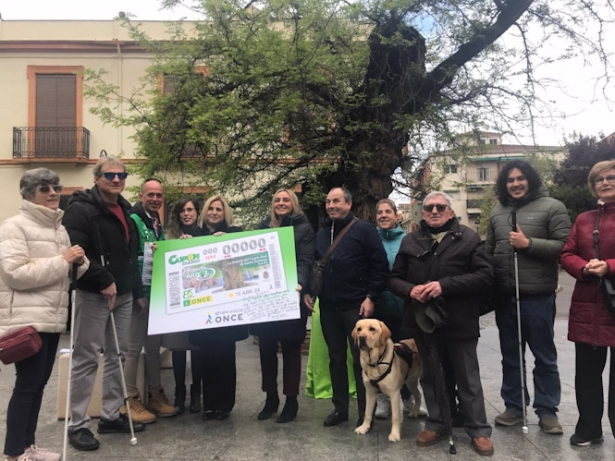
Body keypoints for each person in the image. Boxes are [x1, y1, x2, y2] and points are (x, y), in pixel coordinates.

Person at [388, 191, 494, 456]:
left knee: (467, 377)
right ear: (422, 213)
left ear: (449, 212)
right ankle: (436, 423)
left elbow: (484, 276)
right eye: (429, 208)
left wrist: (443, 286)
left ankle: (478, 429)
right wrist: (411, 290)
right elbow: (394, 279)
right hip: (424, 322)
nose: (434, 211)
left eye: (440, 207)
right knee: (432, 375)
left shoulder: (468, 238)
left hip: (459, 321)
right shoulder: (411, 240)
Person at [0, 168, 89, 461]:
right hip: (27, 321)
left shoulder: (58, 228)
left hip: (51, 318)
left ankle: (29, 446)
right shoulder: (13, 226)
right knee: (27, 387)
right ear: (28, 194)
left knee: (37, 386)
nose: (53, 193)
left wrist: (80, 260)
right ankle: (14, 452)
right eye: (44, 188)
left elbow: (69, 271)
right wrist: (63, 261)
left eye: (56, 187)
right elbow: (15, 274)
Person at [63, 157, 147, 451]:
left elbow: (130, 253)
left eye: (121, 174)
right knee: (86, 357)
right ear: (97, 177)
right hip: (94, 293)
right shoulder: (80, 209)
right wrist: (103, 279)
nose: (116, 179)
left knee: (118, 355)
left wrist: (136, 290)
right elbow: (76, 250)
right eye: (109, 174)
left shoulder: (126, 209)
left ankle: (111, 416)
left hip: (123, 294)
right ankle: (78, 424)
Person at [486, 160, 571, 435]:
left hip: (537, 297)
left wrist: (528, 244)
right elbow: (489, 253)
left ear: (530, 179)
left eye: (521, 178)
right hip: (506, 297)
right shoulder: (497, 213)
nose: (516, 184)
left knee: (544, 357)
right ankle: (514, 406)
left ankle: (547, 411)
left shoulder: (552, 207)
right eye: (510, 180)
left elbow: (564, 247)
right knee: (511, 357)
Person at [304, 187, 388, 427]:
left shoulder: (364, 230)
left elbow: (379, 267)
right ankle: (340, 409)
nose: (331, 205)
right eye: (328, 201)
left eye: (336, 201)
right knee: (335, 359)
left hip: (356, 308)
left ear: (349, 204)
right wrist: (311, 292)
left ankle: (365, 414)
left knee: (361, 361)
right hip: (328, 308)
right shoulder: (321, 233)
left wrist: (371, 296)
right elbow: (314, 267)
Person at [561, 160, 615, 446]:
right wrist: (584, 267)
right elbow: (567, 253)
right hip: (588, 303)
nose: (605, 183)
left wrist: (609, 266)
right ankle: (589, 429)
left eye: (611, 178)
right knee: (587, 375)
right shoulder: (584, 219)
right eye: (599, 180)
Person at [251, 189, 315, 423]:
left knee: (290, 350)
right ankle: (270, 399)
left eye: (285, 199)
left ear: (293, 203)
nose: (281, 203)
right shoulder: (262, 227)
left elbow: (306, 261)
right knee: (266, 350)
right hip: (265, 300)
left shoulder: (304, 229)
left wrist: (297, 283)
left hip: (291, 297)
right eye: (277, 200)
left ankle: (291, 401)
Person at [189, 194, 249, 421]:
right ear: (205, 211)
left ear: (225, 214)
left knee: (225, 357)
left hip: (226, 308)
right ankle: (209, 405)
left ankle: (225, 404)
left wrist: (228, 241)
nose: (214, 212)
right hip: (203, 309)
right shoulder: (193, 235)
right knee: (206, 358)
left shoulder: (235, 233)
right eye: (211, 209)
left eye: (219, 209)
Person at [122, 179, 177, 424]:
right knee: (133, 349)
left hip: (156, 296)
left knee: (153, 348)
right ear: (142, 195)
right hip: (139, 296)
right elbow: (129, 258)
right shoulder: (132, 219)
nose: (155, 199)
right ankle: (128, 399)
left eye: (159, 195)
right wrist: (137, 294)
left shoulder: (156, 223)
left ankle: (155, 394)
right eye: (151, 194)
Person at [372, 199, 427, 419]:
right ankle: (383, 399)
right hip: (379, 308)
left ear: (396, 216)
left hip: (405, 307)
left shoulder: (408, 240)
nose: (383, 215)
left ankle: (407, 398)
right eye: (379, 212)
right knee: (380, 355)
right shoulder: (370, 240)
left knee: (405, 355)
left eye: (388, 212)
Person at [164, 197, 206, 414]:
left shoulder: (206, 235)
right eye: (182, 210)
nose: (186, 214)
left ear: (197, 212)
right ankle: (179, 393)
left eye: (190, 210)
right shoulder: (169, 236)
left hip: (200, 299)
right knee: (178, 347)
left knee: (197, 347)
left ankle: (196, 393)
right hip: (177, 301)